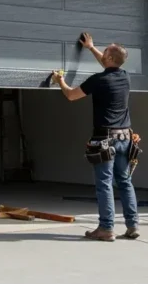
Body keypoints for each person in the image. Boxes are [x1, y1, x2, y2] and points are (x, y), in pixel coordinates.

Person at [51, 33, 139, 242]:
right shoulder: (125, 76)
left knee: (104, 184)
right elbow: (107, 63)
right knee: (125, 182)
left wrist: (60, 81)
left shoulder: (98, 80)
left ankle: (106, 229)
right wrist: (91, 48)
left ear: (109, 58)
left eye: (105, 51)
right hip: (125, 138)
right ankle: (132, 225)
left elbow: (71, 95)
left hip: (104, 139)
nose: (103, 54)